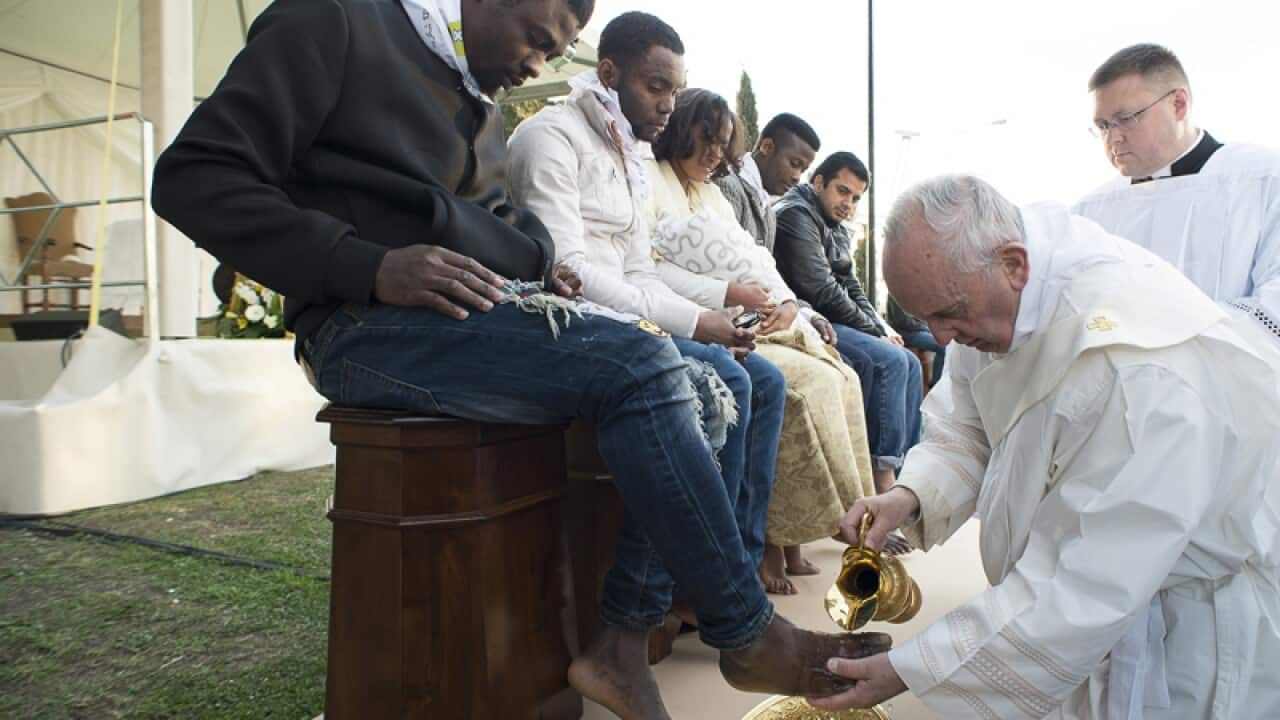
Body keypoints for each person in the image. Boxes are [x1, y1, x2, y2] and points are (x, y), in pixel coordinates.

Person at [147, 1, 892, 717]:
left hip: (470, 312)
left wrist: (541, 266)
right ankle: (746, 633)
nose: (535, 61)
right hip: (360, 324)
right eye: (535, 37)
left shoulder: (474, 89)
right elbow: (193, 177)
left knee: (710, 386)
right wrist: (367, 266)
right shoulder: (336, 19)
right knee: (647, 365)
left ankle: (621, 647)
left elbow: (493, 221)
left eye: (550, 47)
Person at [814, 174, 1280, 718]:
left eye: (946, 314)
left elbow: (1085, 582)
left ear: (1015, 265)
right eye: (927, 319)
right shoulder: (989, 289)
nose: (941, 338)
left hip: (1181, 626)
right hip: (1083, 612)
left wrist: (914, 668)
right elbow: (970, 422)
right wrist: (912, 495)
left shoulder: (1136, 372)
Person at [506, 9, 784, 638]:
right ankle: (690, 593)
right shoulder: (549, 138)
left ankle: (720, 571)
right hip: (577, 326)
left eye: (675, 90)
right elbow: (566, 270)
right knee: (729, 385)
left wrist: (706, 318)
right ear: (608, 74)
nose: (668, 104)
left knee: (762, 380)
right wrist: (695, 321)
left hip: (634, 318)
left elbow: (643, 273)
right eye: (656, 87)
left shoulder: (627, 154)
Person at [642, 88, 877, 595]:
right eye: (706, 139)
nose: (713, 154)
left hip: (755, 316)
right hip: (696, 319)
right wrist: (725, 293)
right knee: (797, 385)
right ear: (681, 129)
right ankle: (768, 541)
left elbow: (759, 262)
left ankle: (848, 512)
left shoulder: (711, 192)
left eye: (722, 144)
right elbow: (647, 270)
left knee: (842, 374)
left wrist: (794, 306)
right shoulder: (647, 180)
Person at [1074, 43, 1280, 351]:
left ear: (1179, 104)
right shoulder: (1088, 212)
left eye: (1127, 118)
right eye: (1102, 126)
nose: (1113, 138)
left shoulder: (1263, 179)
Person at [774, 153, 923, 507]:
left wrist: (881, 326)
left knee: (910, 361)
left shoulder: (835, 225)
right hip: (808, 319)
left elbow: (852, 287)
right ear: (819, 182)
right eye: (843, 191)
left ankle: (906, 474)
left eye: (856, 198)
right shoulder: (796, 215)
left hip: (837, 320)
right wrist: (876, 333)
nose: (849, 204)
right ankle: (881, 479)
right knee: (890, 361)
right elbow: (821, 289)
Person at [715, 112, 822, 253]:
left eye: (803, 170)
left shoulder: (770, 214)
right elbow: (720, 260)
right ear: (767, 147)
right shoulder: (726, 186)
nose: (797, 177)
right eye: (794, 164)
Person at [886, 296, 945, 388]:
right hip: (905, 334)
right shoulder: (896, 293)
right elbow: (904, 322)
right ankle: (936, 385)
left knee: (947, 340)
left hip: (917, 331)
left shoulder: (914, 291)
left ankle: (942, 380)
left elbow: (924, 317)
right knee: (942, 345)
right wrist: (927, 329)